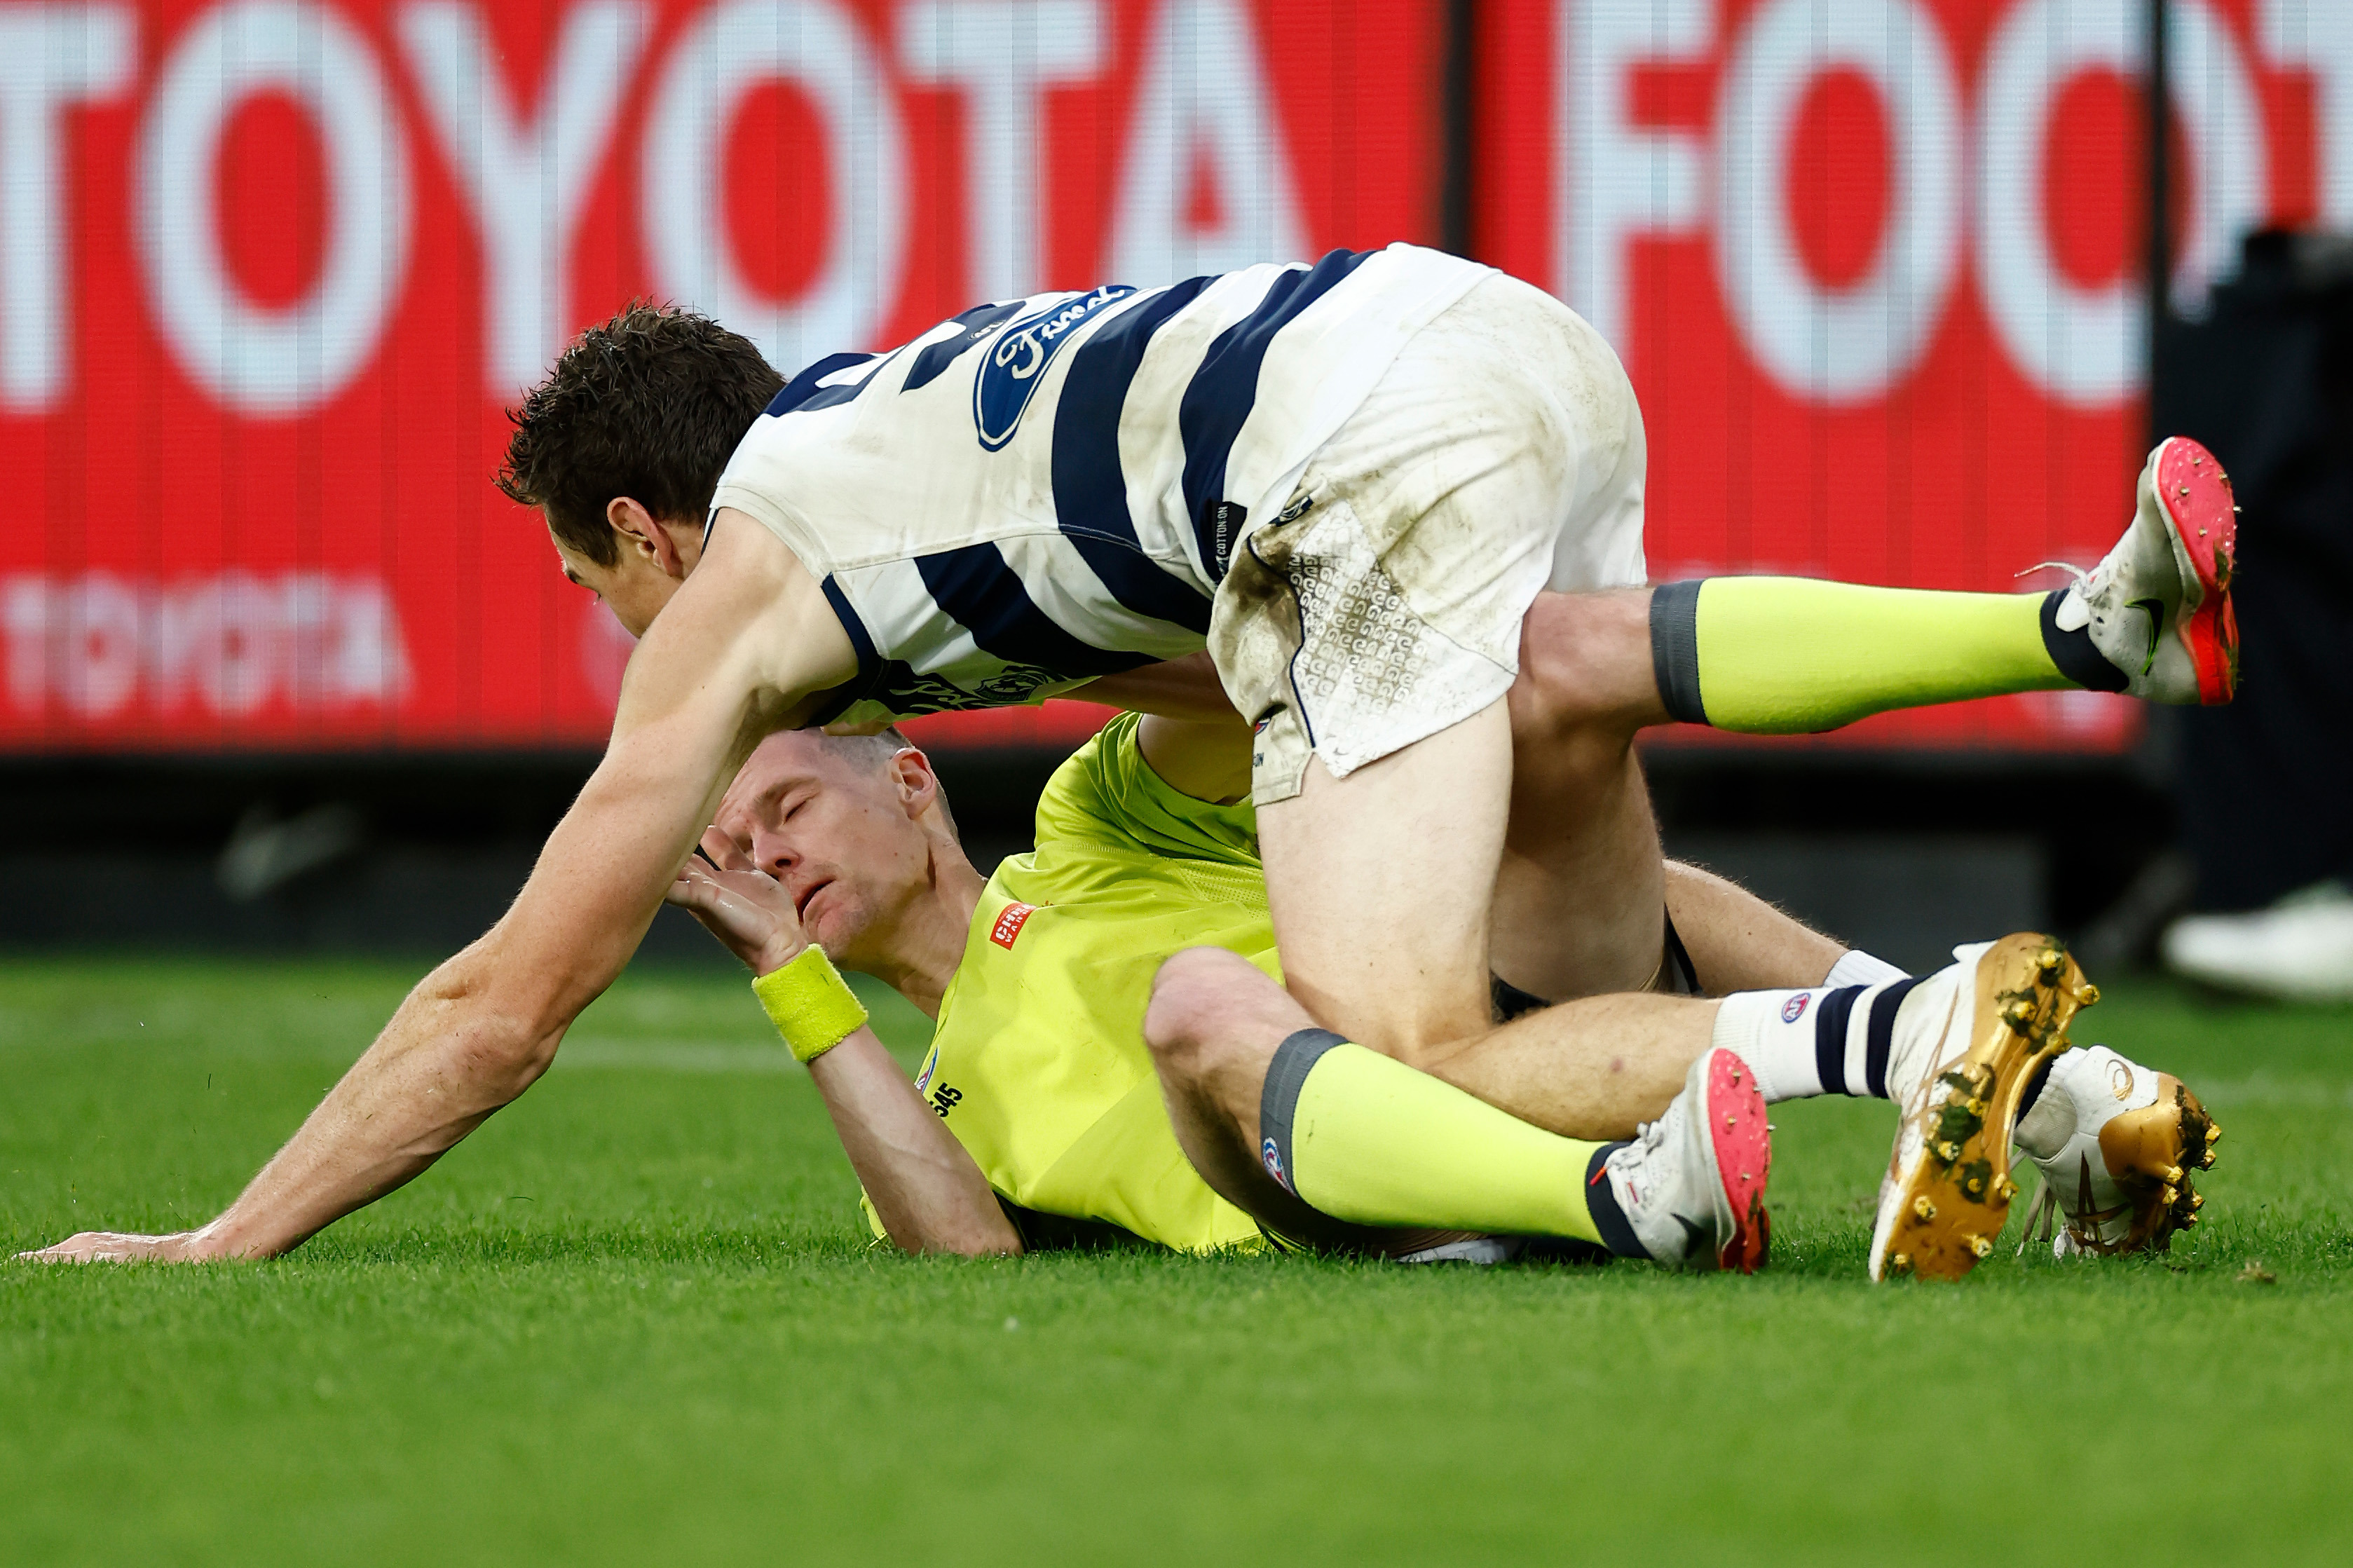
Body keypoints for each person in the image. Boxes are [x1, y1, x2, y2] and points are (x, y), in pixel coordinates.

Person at [20, 259, 2235, 1269]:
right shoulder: (889, 425)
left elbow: (505, 1004)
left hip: (1342, 453)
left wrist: (230, 1234)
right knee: (1551, 690)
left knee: (1402, 1031)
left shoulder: (738, 597)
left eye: (596, 584)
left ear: (640, 531)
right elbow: (1227, 662)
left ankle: (1903, 1038)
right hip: (1485, 333)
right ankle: (2063, 643)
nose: (629, 642)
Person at [665, 704, 2221, 1281]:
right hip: (1337, 1200)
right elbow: (963, 1248)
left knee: (1607, 867)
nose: (764, 858)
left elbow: (1231, 683)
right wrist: (793, 982)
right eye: (733, 851)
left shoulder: (1087, 828)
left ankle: (2047, 1102)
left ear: (913, 782)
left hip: (1471, 1047)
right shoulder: (908, 1099)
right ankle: (1629, 1192)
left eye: (787, 808)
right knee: (1200, 1002)